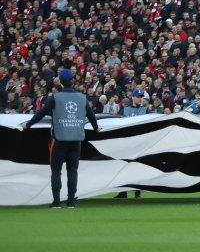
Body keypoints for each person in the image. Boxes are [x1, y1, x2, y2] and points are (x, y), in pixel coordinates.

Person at [18, 68, 100, 208]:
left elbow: (41, 113)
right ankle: (71, 202)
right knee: (72, 171)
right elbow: (91, 115)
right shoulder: (82, 98)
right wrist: (96, 128)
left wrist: (28, 124)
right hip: (76, 141)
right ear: (73, 81)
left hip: (59, 141)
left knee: (56, 171)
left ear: (60, 83)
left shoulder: (55, 98)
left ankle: (56, 202)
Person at [116, 89, 150, 199]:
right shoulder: (125, 110)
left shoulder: (145, 110)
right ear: (133, 97)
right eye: (138, 97)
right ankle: (122, 192)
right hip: (126, 143)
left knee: (137, 168)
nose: (140, 99)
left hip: (139, 143)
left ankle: (137, 191)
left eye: (141, 97)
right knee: (123, 167)